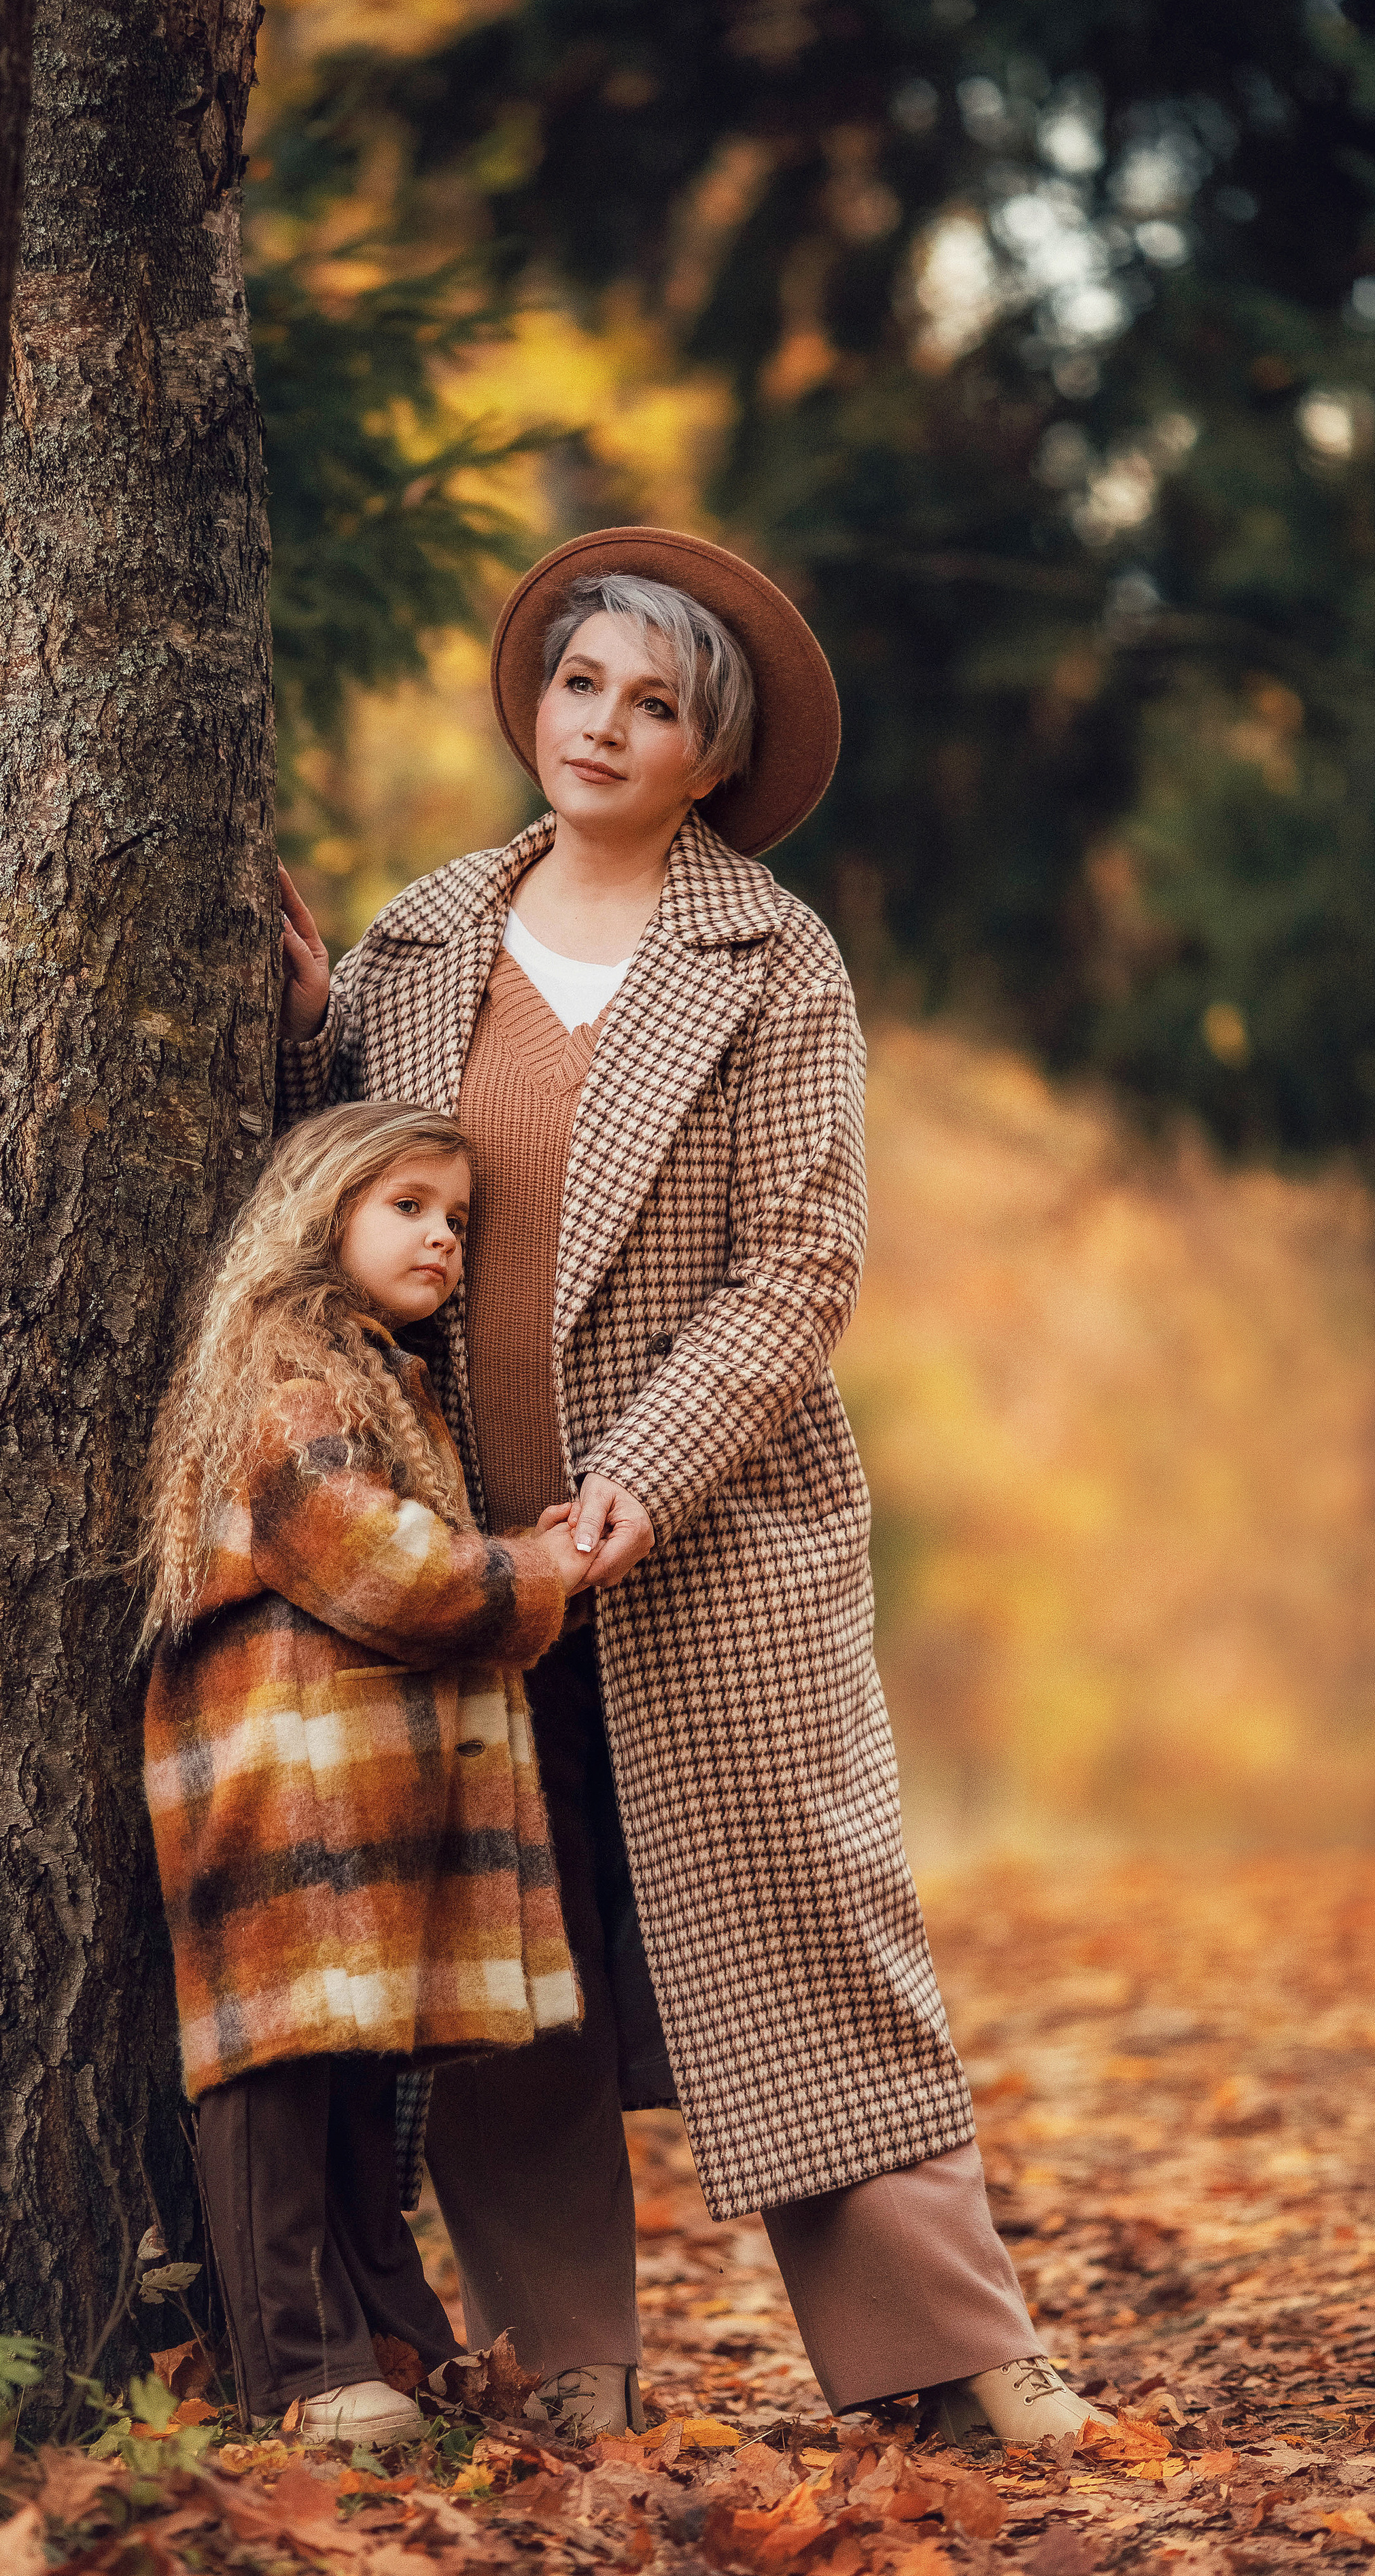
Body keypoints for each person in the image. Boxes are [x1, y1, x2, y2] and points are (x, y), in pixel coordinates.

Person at [273, 527, 1106, 2450]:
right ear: (537, 704)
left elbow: (801, 1260)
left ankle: (958, 2355)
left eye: (658, 705)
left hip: (712, 1531)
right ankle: (567, 2366)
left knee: (810, 1914)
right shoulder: (422, 942)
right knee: (505, 1943)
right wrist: (292, 1028)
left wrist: (639, 1480)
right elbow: (341, 1181)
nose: (609, 726)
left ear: (710, 757)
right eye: (584, 685)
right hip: (463, 1534)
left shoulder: (769, 953)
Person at [137, 1101, 593, 2447]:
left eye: (456, 1218)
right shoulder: (280, 1376)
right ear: (324, 1206)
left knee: (352, 2067)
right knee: (275, 2061)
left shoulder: (379, 1378)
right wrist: (545, 1566)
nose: (442, 1236)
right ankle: (294, 2361)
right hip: (282, 1776)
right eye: (408, 1205)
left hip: (353, 1786)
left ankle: (384, 2333)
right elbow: (390, 1567)